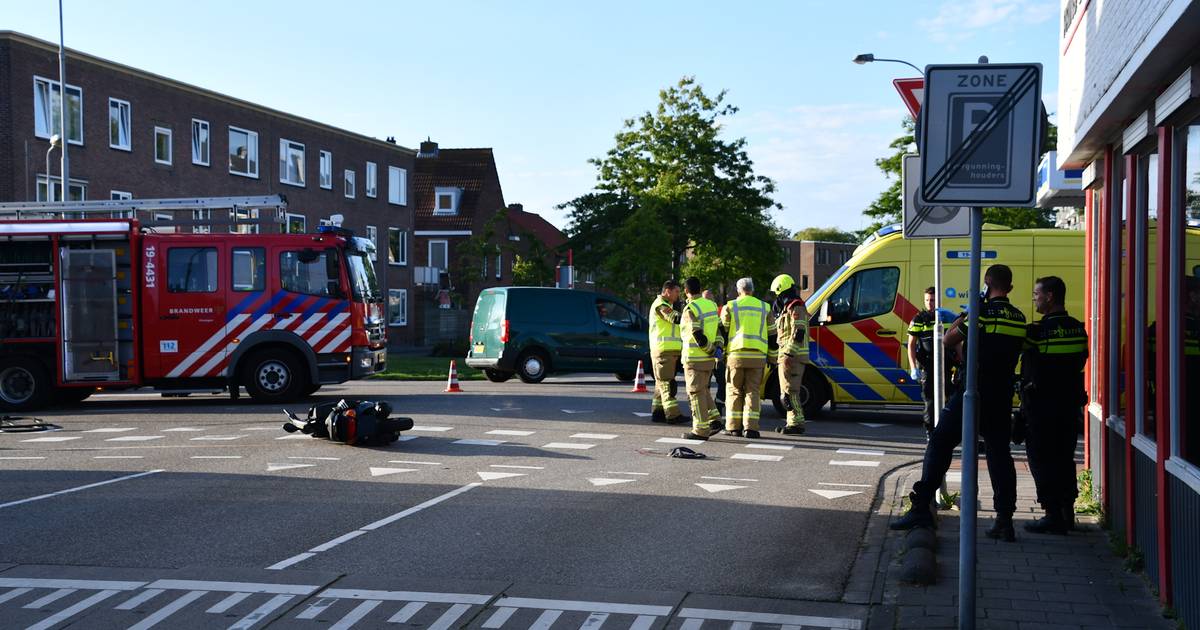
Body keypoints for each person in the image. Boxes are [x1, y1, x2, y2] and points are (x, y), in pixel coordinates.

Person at [890, 264, 1026, 542]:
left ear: (986, 285)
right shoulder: (1018, 318)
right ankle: (1005, 519)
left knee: (940, 442)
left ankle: (921, 505)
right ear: (1009, 287)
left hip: (972, 392)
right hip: (1001, 396)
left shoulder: (981, 313)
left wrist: (968, 312)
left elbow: (949, 339)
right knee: (1000, 456)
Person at [1020, 276, 1088, 534]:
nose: (1034, 299)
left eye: (1037, 294)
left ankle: (1051, 513)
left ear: (1050, 296)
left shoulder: (1038, 331)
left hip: (1042, 406)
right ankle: (1067, 510)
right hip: (1069, 406)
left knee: (1041, 459)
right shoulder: (1077, 328)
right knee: (1064, 457)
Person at [720, 277, 774, 439]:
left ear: (738, 290)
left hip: (736, 355)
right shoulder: (765, 307)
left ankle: (733, 427)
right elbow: (772, 336)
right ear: (753, 290)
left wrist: (721, 353)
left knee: (734, 391)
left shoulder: (730, 306)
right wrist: (772, 358)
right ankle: (751, 428)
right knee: (753, 392)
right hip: (757, 356)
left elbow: (723, 332)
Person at [679, 277, 723, 440]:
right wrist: (717, 348)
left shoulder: (690, 308)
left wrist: (710, 349)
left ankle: (700, 430)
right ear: (700, 288)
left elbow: (697, 334)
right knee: (704, 391)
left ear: (686, 291)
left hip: (695, 358)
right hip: (709, 360)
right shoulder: (710, 305)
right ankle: (715, 420)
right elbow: (720, 331)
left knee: (696, 393)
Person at [907, 287, 954, 434]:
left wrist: (963, 361)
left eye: (932, 300)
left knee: (950, 399)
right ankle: (930, 432)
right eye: (927, 300)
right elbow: (911, 345)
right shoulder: (919, 319)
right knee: (929, 401)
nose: (929, 303)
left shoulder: (945, 318)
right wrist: (913, 368)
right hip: (927, 365)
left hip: (946, 365)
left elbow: (956, 342)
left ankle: (946, 430)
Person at [770, 273, 811, 435]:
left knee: (790, 392)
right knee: (787, 392)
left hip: (793, 357)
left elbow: (799, 332)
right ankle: (794, 422)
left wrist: (788, 354)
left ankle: (796, 423)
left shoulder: (796, 307)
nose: (776, 299)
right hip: (787, 356)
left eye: (777, 295)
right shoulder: (787, 308)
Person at [648, 280, 687, 425]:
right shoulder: (661, 306)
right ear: (667, 291)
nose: (678, 295)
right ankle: (673, 415)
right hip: (663, 350)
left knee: (660, 384)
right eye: (676, 291)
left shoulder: (666, 305)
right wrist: (690, 315)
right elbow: (674, 318)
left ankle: (657, 412)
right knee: (667, 385)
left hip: (667, 350)